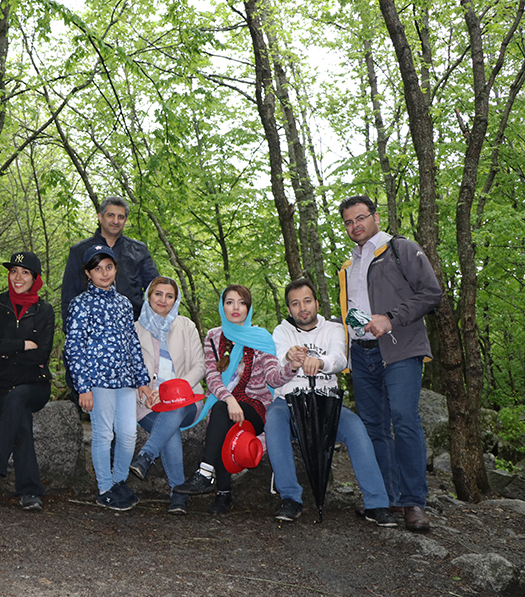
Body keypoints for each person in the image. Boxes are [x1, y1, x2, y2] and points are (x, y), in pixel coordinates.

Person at [338, 195, 442, 532]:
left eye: (361, 218)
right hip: (362, 353)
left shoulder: (401, 249)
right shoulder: (348, 267)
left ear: (376, 217)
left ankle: (414, 502)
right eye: (349, 222)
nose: (356, 226)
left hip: (400, 349)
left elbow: (431, 293)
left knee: (404, 419)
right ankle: (386, 498)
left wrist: (391, 319)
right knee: (374, 428)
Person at [268, 278, 398, 527]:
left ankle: (376, 503)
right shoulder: (281, 330)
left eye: (307, 301)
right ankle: (290, 498)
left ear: (316, 303)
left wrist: (321, 362)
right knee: (274, 420)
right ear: (289, 309)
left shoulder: (334, 328)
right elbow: (279, 356)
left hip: (327, 404)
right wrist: (290, 357)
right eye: (295, 304)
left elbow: (339, 358)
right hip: (289, 403)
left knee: (356, 429)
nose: (302, 308)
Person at [173, 284, 294, 514]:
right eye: (229, 302)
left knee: (220, 412)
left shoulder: (260, 337)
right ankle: (222, 495)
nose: (235, 307)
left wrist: (292, 367)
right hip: (226, 402)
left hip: (255, 406)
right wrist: (230, 400)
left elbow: (274, 377)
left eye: (241, 302)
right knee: (220, 412)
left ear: (248, 307)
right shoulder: (213, 336)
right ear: (222, 306)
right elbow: (211, 376)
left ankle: (206, 475)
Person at [64, 245, 150, 511]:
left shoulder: (124, 304)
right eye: (97, 269)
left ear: (115, 269)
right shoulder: (80, 304)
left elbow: (132, 343)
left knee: (127, 434)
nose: (104, 273)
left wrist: (142, 379)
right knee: (103, 434)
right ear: (88, 273)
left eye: (109, 267)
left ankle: (119, 482)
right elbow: (74, 346)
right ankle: (104, 488)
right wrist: (83, 386)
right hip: (97, 382)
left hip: (124, 380)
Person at [0, 251, 54, 511]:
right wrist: (22, 345)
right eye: (13, 271)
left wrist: (6, 348)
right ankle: (30, 491)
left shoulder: (45, 311)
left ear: (35, 278)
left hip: (34, 385)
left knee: (19, 399)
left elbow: (42, 353)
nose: (17, 277)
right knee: (20, 415)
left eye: (25, 272)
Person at [129, 276, 207, 515]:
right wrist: (146, 394)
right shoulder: (135, 328)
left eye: (169, 296)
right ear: (149, 296)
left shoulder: (186, 326)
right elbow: (131, 370)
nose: (163, 300)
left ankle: (146, 455)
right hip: (148, 404)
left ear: (176, 299)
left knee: (173, 407)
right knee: (168, 428)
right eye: (158, 294)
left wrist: (177, 390)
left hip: (187, 399)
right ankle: (178, 495)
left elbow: (199, 366)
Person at [61, 196, 159, 322]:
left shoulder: (138, 250)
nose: (116, 221)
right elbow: (68, 295)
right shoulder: (80, 251)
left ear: (125, 220)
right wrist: (71, 330)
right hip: (92, 328)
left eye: (121, 217)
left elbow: (156, 288)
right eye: (111, 215)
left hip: (134, 325)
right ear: (100, 217)